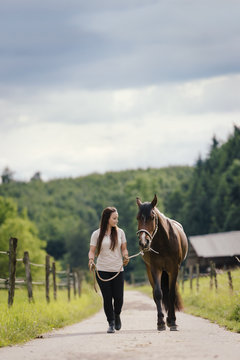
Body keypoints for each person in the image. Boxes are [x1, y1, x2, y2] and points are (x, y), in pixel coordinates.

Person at [88, 206, 129, 333]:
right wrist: (91, 261)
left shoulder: (120, 232)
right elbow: (92, 251)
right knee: (107, 298)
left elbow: (124, 249)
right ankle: (111, 323)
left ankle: (117, 315)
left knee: (119, 298)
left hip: (117, 270)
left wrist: (126, 256)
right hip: (102, 270)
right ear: (107, 219)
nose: (117, 220)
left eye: (117, 218)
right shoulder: (96, 234)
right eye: (114, 218)